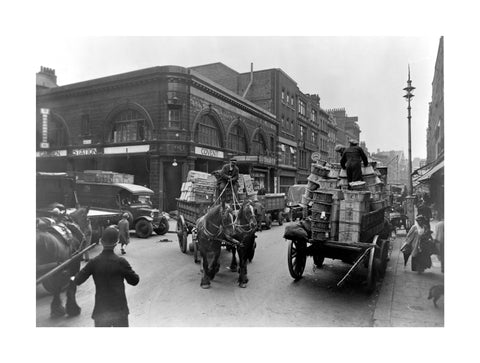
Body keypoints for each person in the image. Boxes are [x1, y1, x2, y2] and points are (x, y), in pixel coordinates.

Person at [72, 225, 139, 327]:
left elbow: (77, 280)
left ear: (102, 241)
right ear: (116, 242)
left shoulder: (94, 262)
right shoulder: (121, 262)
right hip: (119, 311)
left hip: (101, 311)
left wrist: (71, 277)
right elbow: (134, 281)